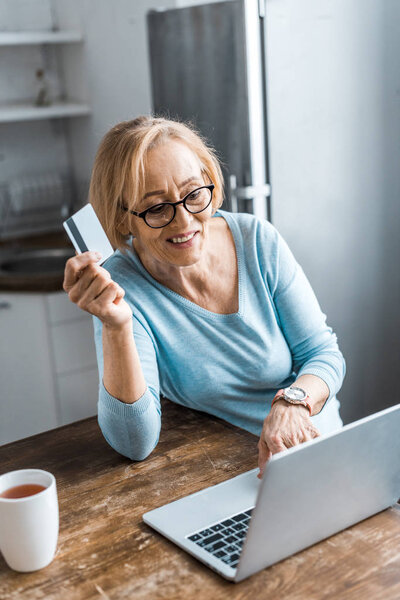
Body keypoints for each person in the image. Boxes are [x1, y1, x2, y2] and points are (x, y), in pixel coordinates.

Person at [63, 116, 345, 478]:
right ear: (123, 219)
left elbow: (323, 354)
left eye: (194, 194)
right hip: (237, 472)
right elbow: (134, 443)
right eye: (157, 208)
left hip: (318, 444)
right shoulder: (120, 287)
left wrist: (293, 404)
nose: (184, 223)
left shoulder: (256, 240)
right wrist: (116, 326)